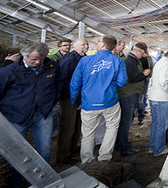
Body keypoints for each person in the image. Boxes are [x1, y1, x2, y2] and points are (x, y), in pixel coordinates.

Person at [0, 42, 60, 187]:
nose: (38, 62)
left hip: (42, 114)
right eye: (34, 59)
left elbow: (58, 86)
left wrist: (50, 103)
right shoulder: (8, 72)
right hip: (17, 117)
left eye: (42, 58)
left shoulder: (51, 67)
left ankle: (43, 181)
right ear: (24, 56)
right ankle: (16, 182)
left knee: (44, 148)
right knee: (17, 152)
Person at [70, 35, 127, 163]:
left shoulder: (85, 61)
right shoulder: (118, 61)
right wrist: (110, 84)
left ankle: (87, 160)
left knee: (88, 133)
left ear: (102, 45)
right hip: (109, 101)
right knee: (111, 128)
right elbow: (122, 81)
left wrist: (75, 101)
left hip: (88, 103)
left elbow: (75, 83)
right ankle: (105, 158)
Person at [56, 38, 89, 164]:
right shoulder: (69, 59)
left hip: (80, 97)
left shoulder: (84, 58)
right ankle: (63, 155)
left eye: (87, 44)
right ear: (75, 47)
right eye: (83, 44)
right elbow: (63, 80)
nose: (85, 46)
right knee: (67, 127)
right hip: (70, 98)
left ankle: (73, 148)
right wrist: (72, 99)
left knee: (77, 125)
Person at [116, 42, 151, 157]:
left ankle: (121, 143)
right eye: (142, 53)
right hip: (128, 94)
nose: (143, 55)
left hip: (129, 93)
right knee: (126, 121)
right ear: (138, 51)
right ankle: (124, 147)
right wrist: (144, 74)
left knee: (127, 119)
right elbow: (132, 78)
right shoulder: (130, 61)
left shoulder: (132, 60)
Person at [148, 50, 168, 156]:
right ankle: (159, 149)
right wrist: (167, 92)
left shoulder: (159, 63)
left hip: (154, 97)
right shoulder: (166, 65)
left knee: (155, 123)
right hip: (161, 98)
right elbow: (163, 81)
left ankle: (152, 146)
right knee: (162, 125)